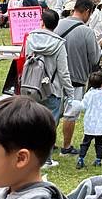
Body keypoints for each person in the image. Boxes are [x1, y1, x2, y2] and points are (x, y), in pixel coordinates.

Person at [25, 9, 74, 168]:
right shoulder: (59, 44)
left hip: (32, 86)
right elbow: (63, 71)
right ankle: (45, 159)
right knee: (50, 124)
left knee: (34, 123)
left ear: (42, 22)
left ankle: (32, 156)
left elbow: (27, 61)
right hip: (52, 88)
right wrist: (70, 92)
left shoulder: (31, 38)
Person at [54, 0, 101, 155]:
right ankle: (66, 147)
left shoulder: (57, 24)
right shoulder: (87, 31)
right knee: (70, 114)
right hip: (76, 78)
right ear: (87, 11)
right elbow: (94, 58)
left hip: (54, 77)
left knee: (53, 112)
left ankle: (49, 143)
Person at [76, 71, 102, 168]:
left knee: (85, 142)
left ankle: (81, 159)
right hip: (101, 124)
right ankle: (98, 160)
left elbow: (83, 106)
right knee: (99, 143)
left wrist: (74, 103)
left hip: (90, 123)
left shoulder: (89, 95)